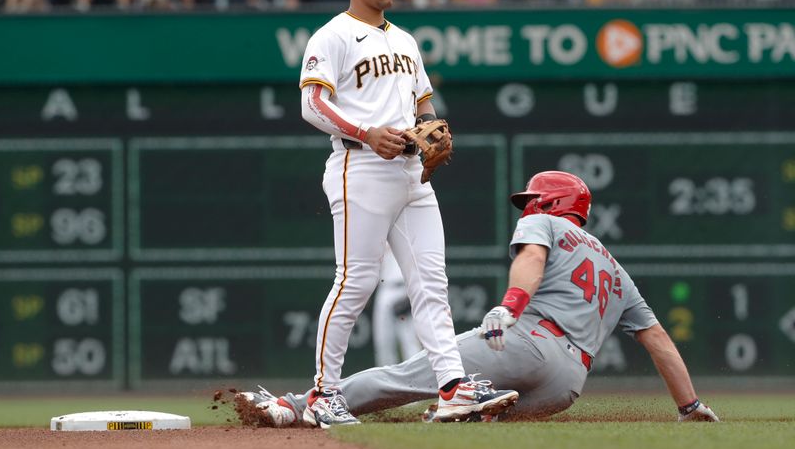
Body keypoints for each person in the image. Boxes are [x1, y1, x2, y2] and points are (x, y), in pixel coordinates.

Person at [235, 171, 720, 425]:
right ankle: (475, 407)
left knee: (407, 378)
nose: (527, 206)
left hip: (526, 343)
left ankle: (300, 406)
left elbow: (530, 259)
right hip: (568, 384)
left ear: (551, 205)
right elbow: (657, 340)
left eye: (532, 200)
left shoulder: (545, 224)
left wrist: (510, 306)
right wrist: (689, 404)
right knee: (456, 419)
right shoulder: (616, 270)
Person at [293, 0, 518, 428]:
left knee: (432, 283)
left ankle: (453, 387)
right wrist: (365, 133)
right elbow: (312, 104)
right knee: (355, 283)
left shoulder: (404, 40)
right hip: (360, 166)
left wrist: (434, 127)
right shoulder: (331, 36)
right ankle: (323, 394)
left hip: (411, 172)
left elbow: (423, 104)